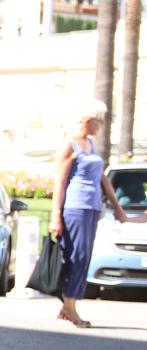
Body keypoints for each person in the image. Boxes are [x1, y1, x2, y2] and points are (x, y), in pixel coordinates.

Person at [50, 99, 128, 328]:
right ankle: (68, 309)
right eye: (100, 121)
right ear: (88, 120)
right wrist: (56, 214)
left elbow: (103, 179)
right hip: (75, 207)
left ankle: (70, 307)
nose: (102, 126)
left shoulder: (90, 144)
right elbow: (60, 180)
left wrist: (117, 206)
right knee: (76, 256)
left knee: (83, 257)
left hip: (92, 207)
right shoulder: (68, 145)